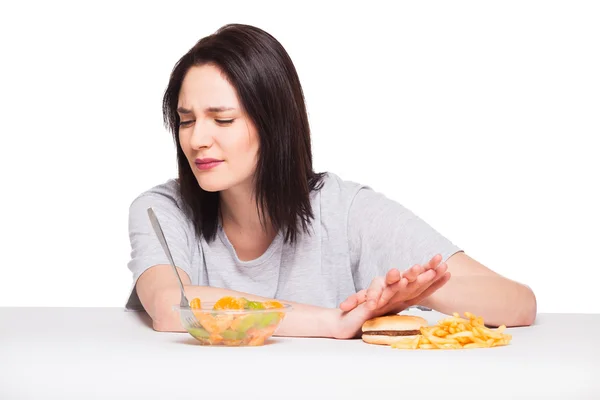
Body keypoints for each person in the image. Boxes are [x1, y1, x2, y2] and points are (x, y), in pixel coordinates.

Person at [125, 23, 537, 339]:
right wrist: (331, 322)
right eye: (186, 120)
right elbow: (171, 304)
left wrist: (420, 293)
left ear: (274, 124)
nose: (196, 140)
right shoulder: (161, 210)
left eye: (223, 119)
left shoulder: (345, 211)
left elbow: (519, 304)